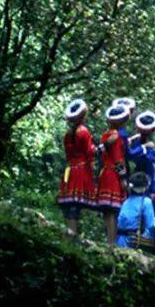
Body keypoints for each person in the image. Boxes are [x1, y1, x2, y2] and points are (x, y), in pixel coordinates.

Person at [56, 98, 97, 236]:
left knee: (69, 202)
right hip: (81, 170)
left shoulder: (68, 134)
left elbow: (68, 154)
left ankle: (69, 231)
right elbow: (89, 151)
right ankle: (72, 233)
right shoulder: (83, 131)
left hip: (70, 169)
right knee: (75, 203)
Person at [95, 102, 131, 244]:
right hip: (113, 175)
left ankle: (110, 241)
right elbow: (118, 159)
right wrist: (123, 177)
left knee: (107, 211)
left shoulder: (106, 136)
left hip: (104, 173)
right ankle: (112, 243)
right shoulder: (116, 137)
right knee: (113, 211)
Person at [115, 171, 155, 250]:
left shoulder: (126, 201)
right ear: (145, 187)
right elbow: (151, 225)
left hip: (120, 240)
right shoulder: (146, 201)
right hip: (132, 241)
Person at [128, 110, 155, 213]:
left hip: (144, 176)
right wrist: (144, 147)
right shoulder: (145, 144)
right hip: (145, 178)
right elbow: (132, 155)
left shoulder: (138, 141)